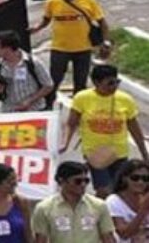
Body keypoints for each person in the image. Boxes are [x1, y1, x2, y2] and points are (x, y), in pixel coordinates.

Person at [62, 64, 149, 198]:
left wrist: (144, 153)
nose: (114, 86)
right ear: (96, 82)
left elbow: (134, 128)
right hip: (94, 153)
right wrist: (65, 142)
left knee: (119, 191)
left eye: (116, 82)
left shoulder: (125, 100)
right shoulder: (82, 98)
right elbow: (71, 123)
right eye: (109, 83)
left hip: (119, 154)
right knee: (104, 190)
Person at [30, 0, 109, 96]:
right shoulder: (52, 2)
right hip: (59, 48)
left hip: (83, 48)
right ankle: (49, 105)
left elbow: (102, 22)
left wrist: (105, 42)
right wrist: (37, 28)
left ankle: (78, 108)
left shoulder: (88, 1)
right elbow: (46, 19)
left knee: (80, 82)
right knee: (54, 80)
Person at [31, 160, 115, 243]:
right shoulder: (44, 208)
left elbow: (108, 237)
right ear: (62, 181)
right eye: (78, 181)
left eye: (86, 181)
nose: (83, 185)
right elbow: (40, 240)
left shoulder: (99, 206)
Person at [0, 30, 54, 113]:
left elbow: (48, 85)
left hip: (34, 111)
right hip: (9, 111)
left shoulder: (33, 63)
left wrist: (29, 101)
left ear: (8, 48)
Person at [105, 159, 149, 243]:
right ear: (124, 178)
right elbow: (124, 234)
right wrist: (143, 209)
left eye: (145, 179)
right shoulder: (113, 201)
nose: (140, 182)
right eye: (135, 178)